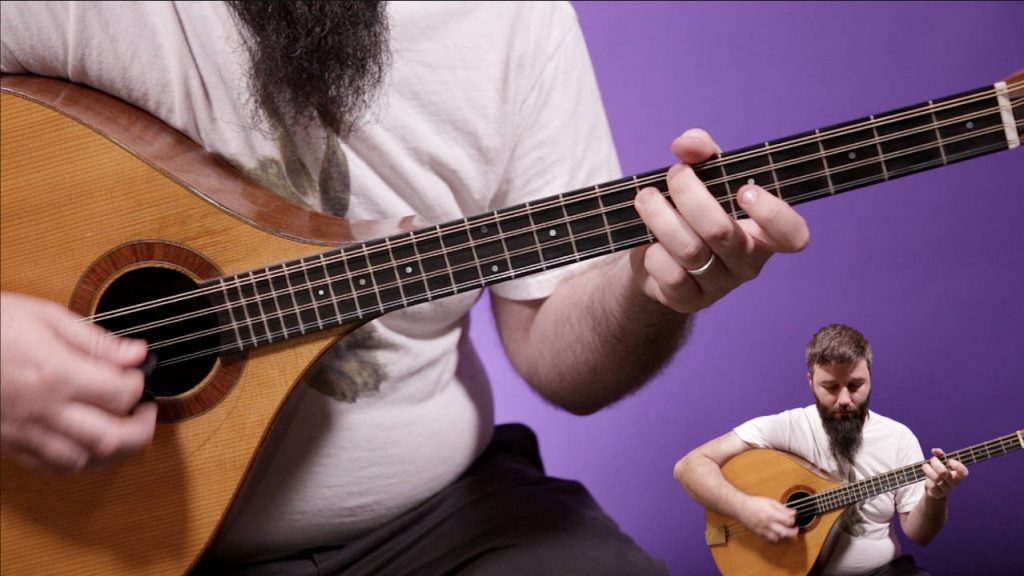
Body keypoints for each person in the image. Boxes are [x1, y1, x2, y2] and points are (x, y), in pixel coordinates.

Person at [0, 2, 810, 573]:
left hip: (439, 529)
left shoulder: (514, 21)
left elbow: (561, 360)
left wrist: (650, 288)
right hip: (92, 542)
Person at [674, 323, 968, 576]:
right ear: (811, 381)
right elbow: (689, 466)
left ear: (871, 379)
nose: (844, 399)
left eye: (855, 385)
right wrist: (746, 509)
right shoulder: (787, 427)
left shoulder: (898, 437)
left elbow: (921, 534)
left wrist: (935, 497)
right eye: (831, 387)